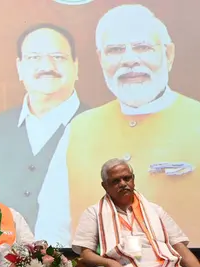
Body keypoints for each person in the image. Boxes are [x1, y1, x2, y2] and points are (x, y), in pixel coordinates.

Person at [40, 4, 200, 245]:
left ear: (168, 54)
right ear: (101, 59)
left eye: (142, 47)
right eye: (115, 50)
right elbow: (52, 225)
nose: (129, 60)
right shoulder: (79, 129)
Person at [0, 23, 87, 235]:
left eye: (58, 57)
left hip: (74, 262)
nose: (47, 65)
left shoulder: (97, 124)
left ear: (76, 66)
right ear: (20, 67)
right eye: (34, 58)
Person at [72, 158, 200, 267]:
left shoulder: (155, 210)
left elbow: (178, 246)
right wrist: (110, 263)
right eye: (116, 181)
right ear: (105, 186)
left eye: (127, 178)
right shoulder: (94, 213)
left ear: (133, 179)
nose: (123, 184)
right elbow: (86, 253)